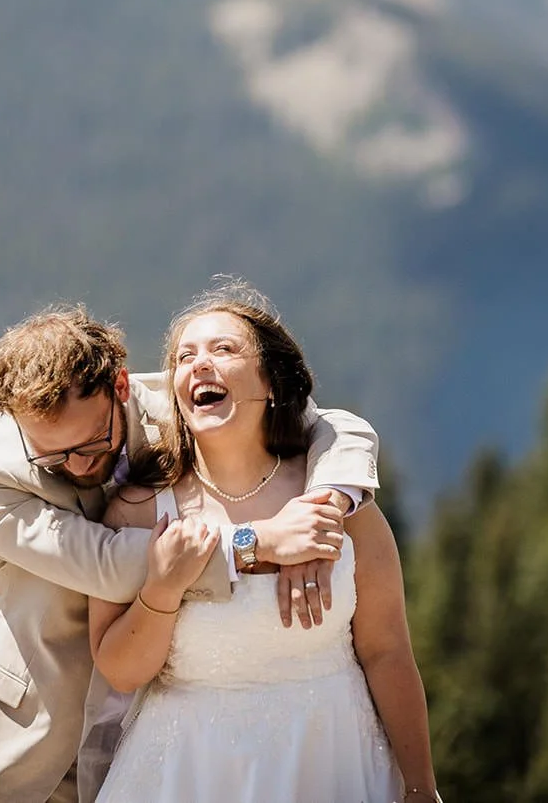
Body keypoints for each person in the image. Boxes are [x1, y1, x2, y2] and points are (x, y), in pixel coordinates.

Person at [0, 302, 381, 803]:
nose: (80, 467)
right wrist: (257, 541)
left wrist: (324, 506)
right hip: (33, 737)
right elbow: (106, 563)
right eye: (53, 456)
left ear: (120, 387)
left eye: (92, 443)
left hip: (161, 737)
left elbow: (337, 427)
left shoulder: (183, 407)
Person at [86, 282, 441, 802]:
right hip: (192, 772)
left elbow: (387, 651)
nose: (199, 364)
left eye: (223, 350)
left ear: (272, 381)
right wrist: (162, 589)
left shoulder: (337, 499)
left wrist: (419, 786)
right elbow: (119, 669)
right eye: (184, 357)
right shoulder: (138, 511)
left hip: (334, 759)